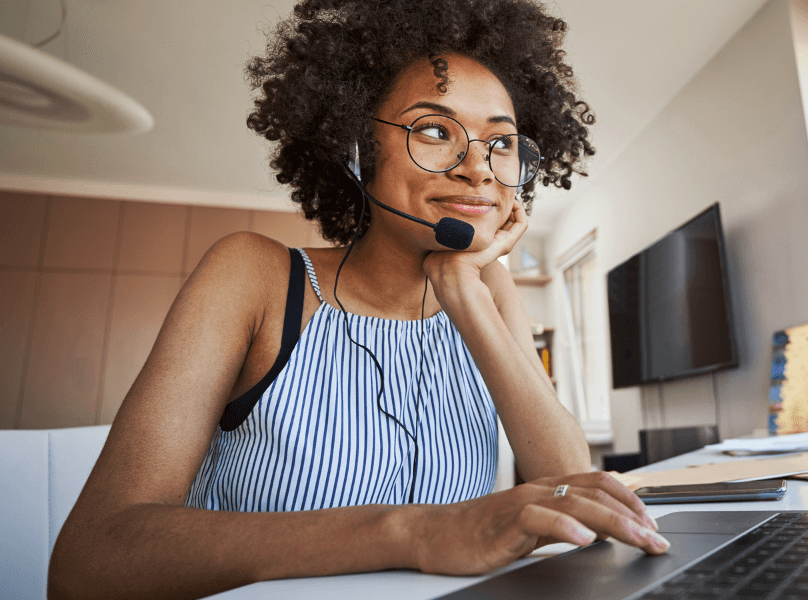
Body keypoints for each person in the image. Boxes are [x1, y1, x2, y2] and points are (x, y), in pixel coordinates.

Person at [48, 1, 667, 598]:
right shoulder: (254, 275)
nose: (479, 169)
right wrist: (413, 531)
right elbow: (90, 562)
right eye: (433, 130)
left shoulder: (486, 289)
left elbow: (565, 486)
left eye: (501, 143)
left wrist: (465, 290)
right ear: (357, 148)